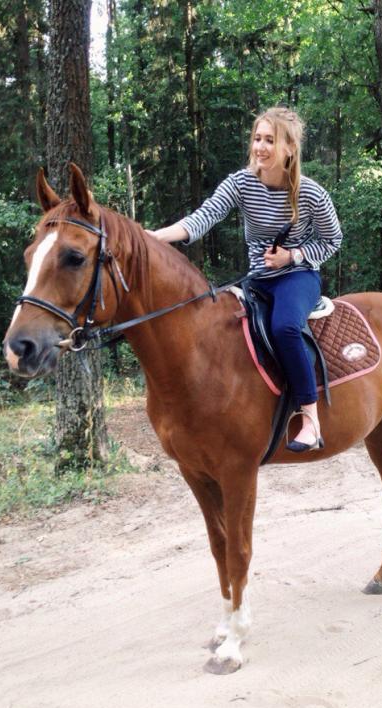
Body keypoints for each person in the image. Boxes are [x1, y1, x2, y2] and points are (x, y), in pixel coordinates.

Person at [146, 106, 343, 452]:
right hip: (257, 279)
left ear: (290, 149)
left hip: (298, 276)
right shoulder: (241, 183)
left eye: (270, 140)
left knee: (284, 327)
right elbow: (203, 217)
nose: (260, 147)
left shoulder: (311, 193)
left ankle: (310, 416)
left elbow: (332, 240)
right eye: (257, 138)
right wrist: (154, 237)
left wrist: (292, 256)